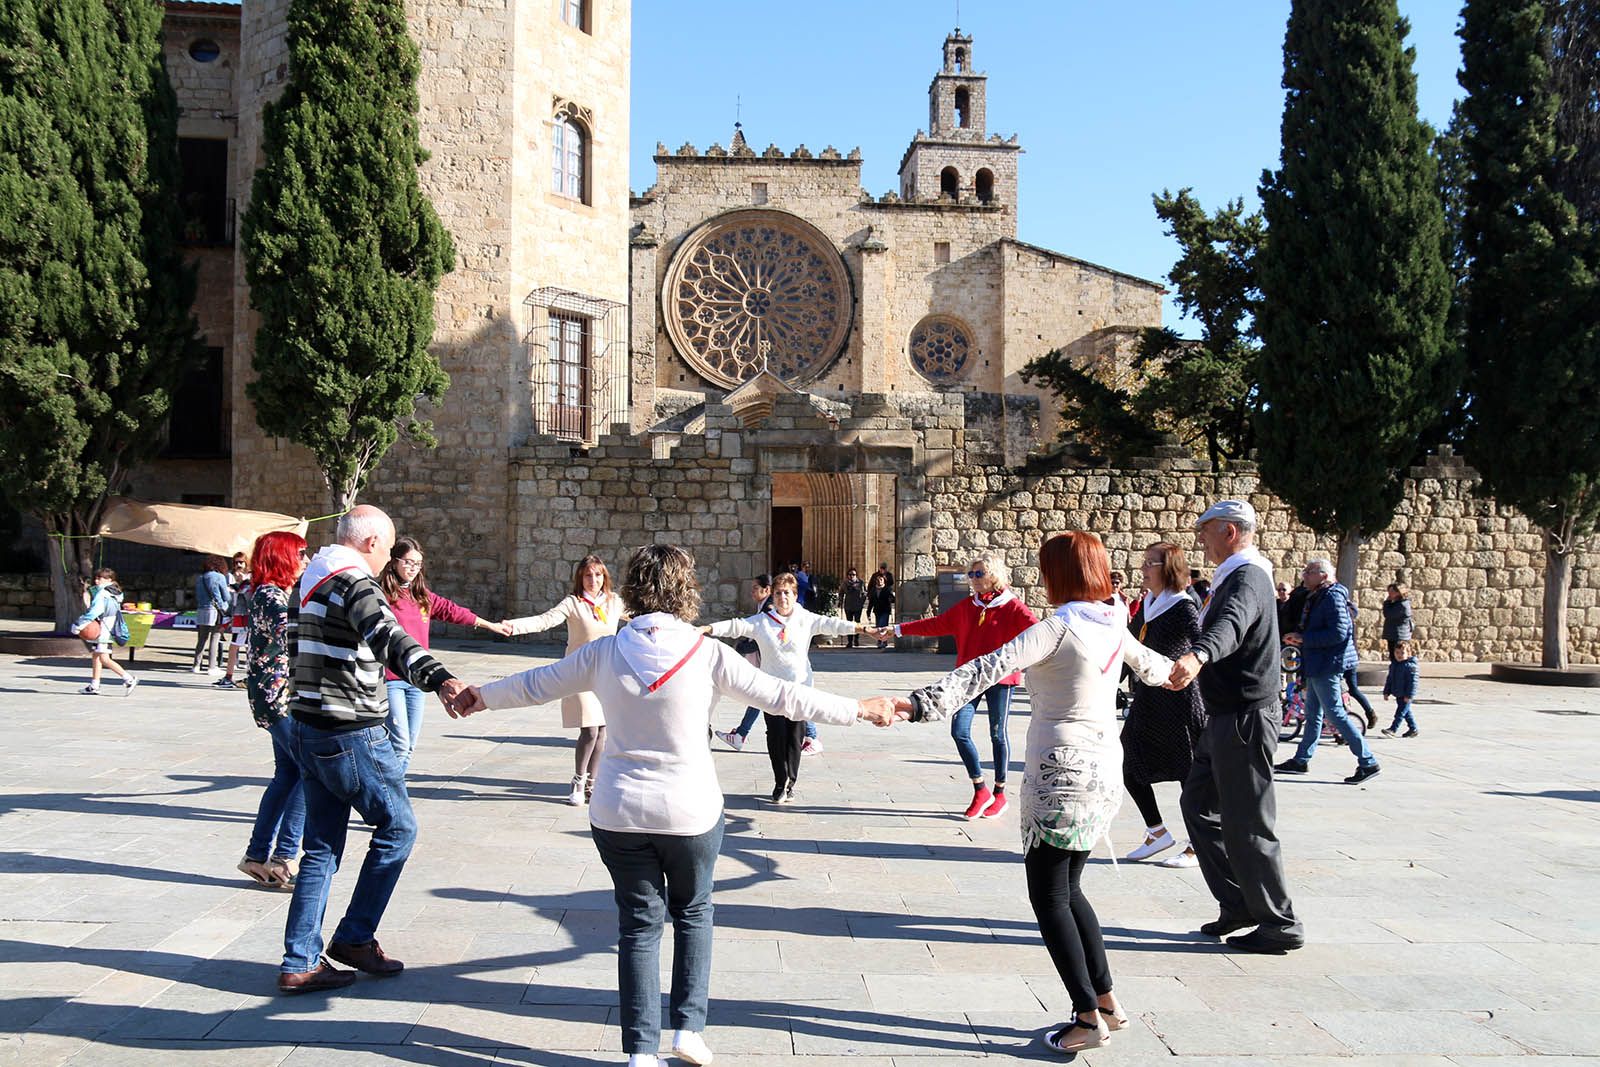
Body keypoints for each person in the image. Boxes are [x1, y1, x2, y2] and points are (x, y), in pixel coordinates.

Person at [456, 543, 900, 1067]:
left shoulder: (604, 652)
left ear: (635, 588)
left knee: (638, 926)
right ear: (685, 590)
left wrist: (479, 695)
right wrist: (859, 708)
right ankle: (688, 1030)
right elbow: (784, 697)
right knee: (694, 914)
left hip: (618, 810)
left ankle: (640, 1052)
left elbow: (535, 684)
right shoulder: (707, 652)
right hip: (690, 809)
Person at [899, 532, 1173, 1052]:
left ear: (1058, 575)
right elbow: (1155, 669)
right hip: (1102, 772)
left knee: (1049, 895)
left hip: (1060, 774)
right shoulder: (1112, 621)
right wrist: (1181, 671)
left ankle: (1087, 1019)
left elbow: (987, 668)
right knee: (1070, 888)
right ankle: (1107, 1003)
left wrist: (916, 704)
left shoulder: (1059, 627)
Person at [277, 505, 471, 995]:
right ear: (369, 543)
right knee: (399, 827)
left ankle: (300, 961)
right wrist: (440, 679)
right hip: (350, 729)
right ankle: (355, 937)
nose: (388, 557)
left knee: (321, 847)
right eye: (387, 547)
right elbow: (389, 638)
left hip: (308, 725)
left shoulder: (314, 577)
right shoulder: (355, 582)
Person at [1166, 498, 1305, 954]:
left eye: (1205, 531)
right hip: (1224, 716)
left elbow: (1231, 624)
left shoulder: (1247, 576)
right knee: (1198, 805)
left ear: (1229, 530)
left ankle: (1278, 922)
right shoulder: (1236, 575)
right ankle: (1240, 903)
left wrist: (1199, 654)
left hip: (1244, 717)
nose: (1200, 540)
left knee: (1248, 821)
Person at [882, 553, 1038, 819]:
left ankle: (1000, 793)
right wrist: (897, 630)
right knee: (959, 730)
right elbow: (936, 624)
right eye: (971, 575)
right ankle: (980, 788)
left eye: (979, 574)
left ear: (993, 575)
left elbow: (1037, 634)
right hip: (968, 678)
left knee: (998, 734)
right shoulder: (969, 606)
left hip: (1000, 678)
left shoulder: (1012, 607)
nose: (974, 580)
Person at [704, 571, 868, 802]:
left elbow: (833, 624)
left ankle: (791, 780)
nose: (783, 598)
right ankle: (780, 781)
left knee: (794, 736)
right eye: (779, 593)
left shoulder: (806, 619)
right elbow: (735, 626)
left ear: (795, 595)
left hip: (800, 688)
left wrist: (861, 629)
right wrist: (707, 629)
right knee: (775, 736)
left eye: (787, 593)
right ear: (773, 596)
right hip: (771, 690)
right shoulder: (762, 622)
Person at [379, 536, 510, 773]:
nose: (412, 568)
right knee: (399, 743)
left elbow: (454, 612)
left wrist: (490, 625)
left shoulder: (421, 597)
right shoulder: (381, 596)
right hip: (391, 679)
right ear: (395, 562)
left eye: (417, 564)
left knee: (409, 746)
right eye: (408, 562)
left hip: (417, 682)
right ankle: (388, 795)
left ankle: (393, 791)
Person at [507, 555, 625, 803]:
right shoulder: (574, 603)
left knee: (603, 730)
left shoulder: (614, 602)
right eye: (588, 575)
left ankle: (594, 783)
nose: (594, 580)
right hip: (579, 673)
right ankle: (578, 781)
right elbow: (545, 620)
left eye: (598, 575)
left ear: (605, 577)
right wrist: (514, 626)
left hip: (606, 673)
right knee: (590, 729)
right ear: (580, 578)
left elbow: (643, 618)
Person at [1122, 542, 1206, 868]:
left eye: (1149, 563)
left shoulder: (1183, 606)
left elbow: (1204, 642)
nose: (1143, 568)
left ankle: (1199, 846)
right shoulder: (1149, 604)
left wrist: (1191, 662)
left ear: (1167, 567)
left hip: (1180, 701)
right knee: (1127, 761)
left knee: (1189, 774)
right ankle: (1156, 831)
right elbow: (1127, 646)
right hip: (1149, 698)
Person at [238, 531, 308, 890]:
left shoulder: (273, 594)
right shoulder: (269, 596)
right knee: (310, 771)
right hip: (277, 697)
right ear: (283, 558)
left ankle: (256, 856)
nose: (306, 562)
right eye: (300, 555)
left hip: (275, 696)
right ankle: (283, 859)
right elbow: (295, 634)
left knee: (287, 776)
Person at [1275, 559, 1381, 784]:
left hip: (1327, 664)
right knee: (1313, 714)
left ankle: (1368, 761)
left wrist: (1305, 639)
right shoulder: (1319, 596)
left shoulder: (1332, 596)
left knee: (1334, 714)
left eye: (1308, 572)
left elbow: (1339, 633)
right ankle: (1301, 759)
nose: (1304, 576)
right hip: (1317, 663)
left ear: (1323, 575)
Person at [72, 568, 137, 696]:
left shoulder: (102, 593)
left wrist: (80, 624)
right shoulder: (115, 592)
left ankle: (129, 679)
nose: (96, 581)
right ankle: (94, 685)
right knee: (96, 655)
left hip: (104, 629)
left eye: (100, 578)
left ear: (109, 580)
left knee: (104, 658)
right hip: (109, 626)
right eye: (96, 578)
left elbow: (95, 611)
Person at [216, 553, 251, 690]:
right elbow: (233, 604)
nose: (238, 565)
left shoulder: (250, 580)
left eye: (241, 562)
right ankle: (230, 676)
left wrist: (242, 585)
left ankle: (233, 676)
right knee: (237, 648)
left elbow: (250, 600)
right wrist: (226, 620)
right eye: (236, 562)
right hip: (238, 619)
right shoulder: (233, 580)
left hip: (246, 620)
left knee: (243, 648)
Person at [192, 555, 230, 673]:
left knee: (202, 638)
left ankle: (196, 665)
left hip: (201, 609)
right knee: (215, 637)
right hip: (215, 611)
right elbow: (226, 597)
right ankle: (212, 667)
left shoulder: (200, 578)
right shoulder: (219, 577)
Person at [1381, 639, 1421, 738]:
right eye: (1397, 652)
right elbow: (1390, 679)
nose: (1399, 655)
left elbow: (1413, 683)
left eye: (1402, 653)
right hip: (1398, 693)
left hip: (1406, 694)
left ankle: (1393, 729)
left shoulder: (1410, 666)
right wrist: (1386, 692)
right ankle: (1413, 728)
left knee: (1400, 713)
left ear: (1409, 653)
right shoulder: (1394, 665)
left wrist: (1409, 695)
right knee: (1406, 713)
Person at [1382, 583, 1414, 657]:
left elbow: (1388, 614)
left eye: (1391, 592)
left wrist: (1387, 602)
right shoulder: (1397, 603)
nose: (1389, 594)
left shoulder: (1402, 605)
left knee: (1398, 656)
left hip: (1399, 635)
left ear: (1398, 592)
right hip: (1395, 634)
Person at [867, 569, 896, 649]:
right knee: (878, 626)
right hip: (877, 611)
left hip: (885, 610)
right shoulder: (873, 590)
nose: (879, 581)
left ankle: (883, 641)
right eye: (878, 579)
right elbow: (871, 602)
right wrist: (868, 611)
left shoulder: (887, 589)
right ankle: (880, 641)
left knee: (882, 625)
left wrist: (891, 599)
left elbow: (893, 599)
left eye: (881, 579)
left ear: (884, 581)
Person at [841, 567, 867, 647]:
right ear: (847, 575)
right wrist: (840, 601)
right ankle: (849, 641)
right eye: (850, 574)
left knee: (857, 623)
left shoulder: (861, 583)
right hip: (848, 606)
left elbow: (864, 593)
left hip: (857, 607)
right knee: (849, 624)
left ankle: (856, 639)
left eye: (853, 574)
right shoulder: (845, 583)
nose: (852, 576)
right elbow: (841, 592)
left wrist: (861, 602)